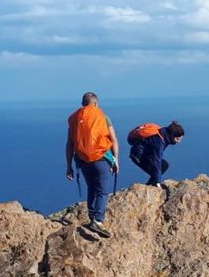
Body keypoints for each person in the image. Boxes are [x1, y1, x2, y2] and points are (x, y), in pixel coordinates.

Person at [66, 92, 119, 238]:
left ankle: (91, 216)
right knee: (102, 190)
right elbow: (113, 139)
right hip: (101, 157)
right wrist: (115, 159)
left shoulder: (74, 118)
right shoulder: (102, 116)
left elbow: (69, 144)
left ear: (83, 104)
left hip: (82, 160)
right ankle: (98, 221)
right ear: (95, 103)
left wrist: (69, 166)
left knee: (92, 187)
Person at [128, 121, 185, 189]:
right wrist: (158, 181)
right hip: (138, 155)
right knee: (161, 167)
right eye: (177, 139)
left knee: (163, 166)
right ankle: (151, 186)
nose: (178, 142)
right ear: (172, 135)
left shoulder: (163, 133)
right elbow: (157, 161)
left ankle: (150, 185)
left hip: (142, 153)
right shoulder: (160, 141)